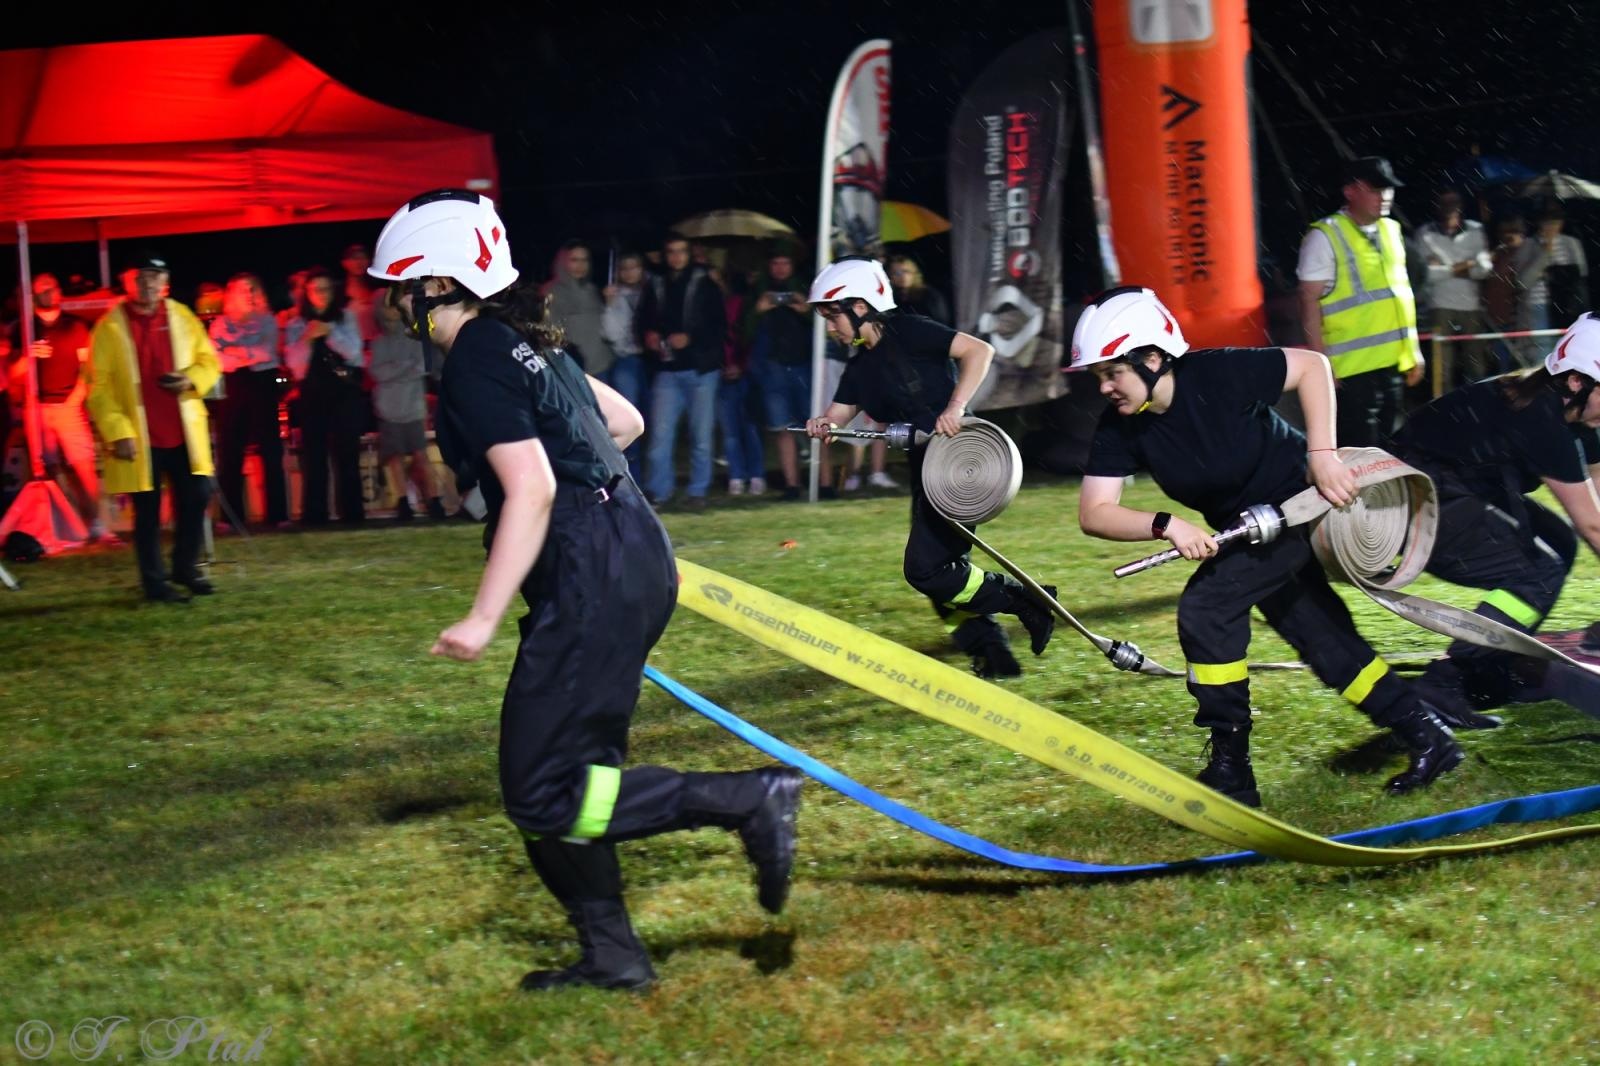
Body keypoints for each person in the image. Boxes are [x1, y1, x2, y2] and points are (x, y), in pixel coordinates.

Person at [369, 189, 802, 992]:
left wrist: (484, 615)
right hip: (632, 552)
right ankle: (612, 954)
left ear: (435, 283)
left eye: (401, 289)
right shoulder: (529, 340)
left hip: (590, 569)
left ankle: (746, 800)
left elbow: (529, 489)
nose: (397, 305)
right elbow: (627, 423)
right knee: (575, 779)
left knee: (541, 790)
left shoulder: (472, 358)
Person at [1073, 286, 1462, 805]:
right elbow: (1094, 511)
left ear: (1152, 357)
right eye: (1098, 376)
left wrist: (1323, 454)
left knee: (1206, 609)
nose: (1104, 387)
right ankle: (1430, 738)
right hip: (1248, 527)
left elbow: (1310, 366)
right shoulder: (1120, 426)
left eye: (1111, 372)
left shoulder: (1214, 374)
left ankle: (1232, 771)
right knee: (1323, 640)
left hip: (1300, 505)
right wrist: (1168, 524)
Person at [804, 257, 1057, 677]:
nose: (831, 327)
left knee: (927, 569)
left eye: (833, 316)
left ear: (861, 307)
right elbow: (839, 413)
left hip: (963, 463)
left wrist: (956, 407)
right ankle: (993, 657)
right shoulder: (860, 366)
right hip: (927, 470)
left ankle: (1027, 601)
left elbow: (980, 351)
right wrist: (823, 424)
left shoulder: (911, 330)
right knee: (939, 572)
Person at [1389, 312, 1600, 724]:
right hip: (1409, 500)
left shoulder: (1567, 410)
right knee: (1539, 571)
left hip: (1441, 488)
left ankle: (1488, 660)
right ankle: (1445, 683)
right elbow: (1592, 524)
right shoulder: (1544, 419)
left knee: (1556, 541)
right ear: (1577, 381)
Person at [87, 254, 222, 602]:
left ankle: (185, 567)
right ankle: (154, 582)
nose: (148, 284)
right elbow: (97, 387)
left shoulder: (182, 316)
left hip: (182, 431)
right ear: (128, 282)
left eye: (155, 277)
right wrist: (118, 430)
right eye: (142, 277)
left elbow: (209, 361)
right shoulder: (110, 326)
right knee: (147, 513)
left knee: (196, 498)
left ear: (165, 283)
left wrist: (189, 379)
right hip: (139, 435)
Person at [1297, 156, 1425, 444]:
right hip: (1349, 371)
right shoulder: (1325, 235)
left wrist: (1413, 351)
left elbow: (1401, 296)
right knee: (1358, 453)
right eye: (1377, 189)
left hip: (1392, 364)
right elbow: (1308, 304)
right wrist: (1322, 365)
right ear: (1350, 191)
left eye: (1389, 189)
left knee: (1388, 452)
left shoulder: (1391, 230)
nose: (1386, 196)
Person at [5, 273, 111, 540]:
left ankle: (97, 522)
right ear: (33, 295)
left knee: (83, 464)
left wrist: (77, 397)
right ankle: (69, 525)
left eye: (52, 286)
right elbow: (13, 374)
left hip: (69, 405)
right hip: (37, 408)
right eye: (42, 289)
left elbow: (88, 369)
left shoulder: (76, 326)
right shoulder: (24, 329)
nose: (49, 291)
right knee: (48, 470)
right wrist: (28, 357)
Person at [636, 234, 726, 510]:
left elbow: (719, 326)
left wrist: (691, 338)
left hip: (701, 370)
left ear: (689, 253)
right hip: (667, 369)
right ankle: (659, 491)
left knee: (701, 435)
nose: (676, 257)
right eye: (671, 252)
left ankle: (698, 490)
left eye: (681, 252)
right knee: (660, 437)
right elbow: (642, 320)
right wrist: (648, 336)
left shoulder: (705, 282)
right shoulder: (656, 283)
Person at [283, 268, 366, 526]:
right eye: (315, 289)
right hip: (312, 396)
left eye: (326, 288)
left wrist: (329, 333)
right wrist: (308, 337)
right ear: (306, 294)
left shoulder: (345, 318)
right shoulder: (296, 324)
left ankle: (352, 514)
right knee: (314, 457)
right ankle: (315, 515)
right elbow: (294, 366)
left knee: (347, 455)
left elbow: (355, 353)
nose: (321, 294)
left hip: (344, 395)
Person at [209, 273, 288, 529]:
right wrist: (249, 356)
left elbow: (268, 352)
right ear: (231, 295)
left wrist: (234, 351)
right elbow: (216, 360)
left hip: (263, 386)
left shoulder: (268, 321)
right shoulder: (219, 324)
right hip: (234, 389)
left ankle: (278, 515)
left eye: (253, 290)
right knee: (230, 452)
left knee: (271, 451)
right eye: (244, 290)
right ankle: (230, 518)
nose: (250, 295)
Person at [368, 297, 445, 521]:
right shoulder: (378, 342)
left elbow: (422, 366)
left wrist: (393, 371)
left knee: (421, 455)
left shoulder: (415, 337)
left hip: (413, 407)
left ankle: (434, 500)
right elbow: (377, 373)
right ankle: (403, 502)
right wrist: (404, 369)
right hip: (387, 408)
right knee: (395, 457)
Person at [745, 251, 811, 497]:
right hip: (772, 367)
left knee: (814, 424)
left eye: (786, 262)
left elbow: (824, 329)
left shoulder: (805, 287)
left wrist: (805, 310)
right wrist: (758, 310)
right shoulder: (758, 291)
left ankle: (820, 483)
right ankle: (792, 484)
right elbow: (744, 333)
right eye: (775, 262)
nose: (781, 268)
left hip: (804, 366)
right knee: (782, 427)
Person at [1411, 190, 1492, 389]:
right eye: (1444, 202)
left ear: (1460, 205)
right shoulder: (1424, 233)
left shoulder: (1475, 230)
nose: (1449, 207)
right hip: (1439, 305)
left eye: (1453, 202)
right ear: (1436, 205)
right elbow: (1425, 275)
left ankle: (1478, 404)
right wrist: (1465, 264)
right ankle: (1443, 409)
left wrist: (1444, 268)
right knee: (1442, 366)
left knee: (1475, 364)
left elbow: (1484, 270)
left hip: (1470, 305)